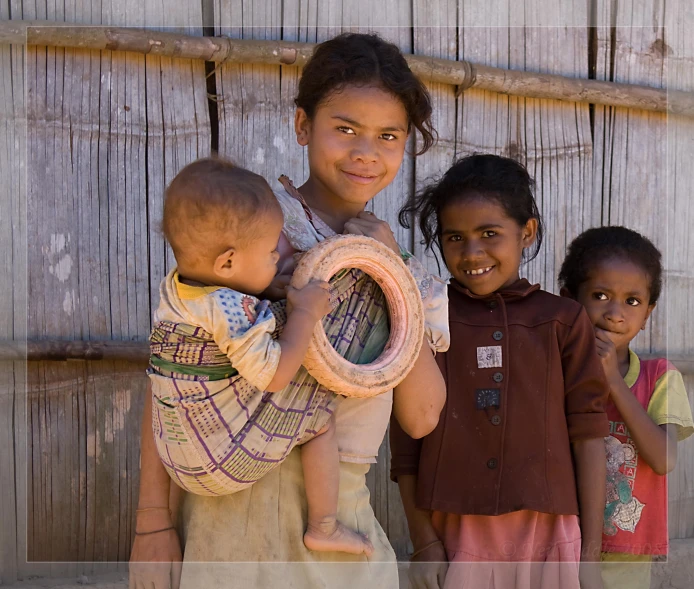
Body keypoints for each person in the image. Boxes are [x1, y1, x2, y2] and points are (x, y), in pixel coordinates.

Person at [129, 32, 449, 589]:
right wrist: (152, 525)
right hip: (230, 515)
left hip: (338, 520)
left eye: (389, 136)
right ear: (303, 126)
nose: (365, 152)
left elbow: (422, 416)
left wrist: (389, 267)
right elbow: (175, 374)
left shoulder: (407, 276)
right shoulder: (247, 231)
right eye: (344, 129)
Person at [390, 154, 611, 589]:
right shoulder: (426, 318)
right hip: (456, 533)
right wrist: (424, 541)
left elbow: (589, 435)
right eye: (455, 237)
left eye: (489, 234)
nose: (472, 253)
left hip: (549, 535)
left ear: (526, 232)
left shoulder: (562, 321)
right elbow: (406, 442)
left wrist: (590, 554)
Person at [149, 157, 374, 556]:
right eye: (271, 250)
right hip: (222, 460)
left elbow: (227, 309)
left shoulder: (177, 291)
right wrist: (304, 312)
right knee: (320, 420)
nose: (277, 258)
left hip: (176, 455)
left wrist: (268, 291)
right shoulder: (233, 313)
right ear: (228, 263)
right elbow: (276, 375)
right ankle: (324, 526)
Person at [558, 226, 694, 589]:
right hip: (559, 544)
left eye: (632, 301)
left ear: (648, 312)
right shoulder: (553, 375)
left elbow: (663, 459)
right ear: (570, 300)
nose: (616, 314)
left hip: (627, 554)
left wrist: (614, 383)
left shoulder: (660, 378)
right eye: (601, 295)